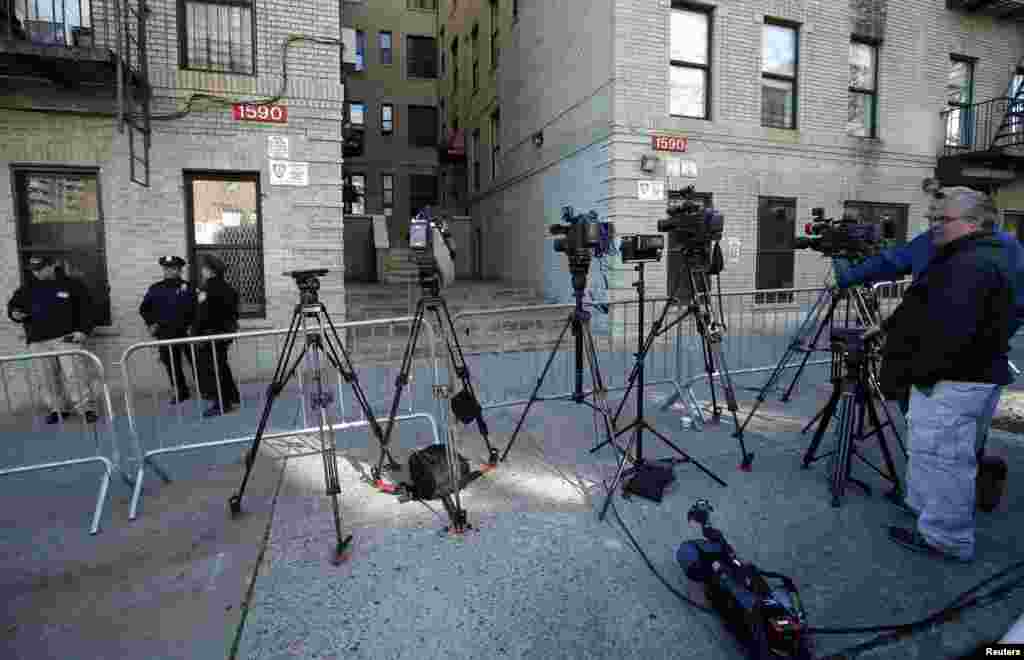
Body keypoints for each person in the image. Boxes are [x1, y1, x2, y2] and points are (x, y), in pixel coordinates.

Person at [877, 187, 1015, 562]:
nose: (934, 225)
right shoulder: (965, 254)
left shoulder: (974, 264)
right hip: (951, 378)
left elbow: (950, 332)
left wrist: (917, 371)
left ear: (973, 223)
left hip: (953, 380)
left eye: (943, 219)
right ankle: (925, 512)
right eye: (933, 218)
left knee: (946, 461)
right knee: (931, 453)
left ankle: (945, 537)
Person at [6, 256, 97, 424]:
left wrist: (83, 331)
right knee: (46, 378)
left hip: (66, 338)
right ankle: (58, 409)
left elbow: (88, 309)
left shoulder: (72, 285)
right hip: (38, 340)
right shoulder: (27, 289)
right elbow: (14, 306)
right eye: (34, 270)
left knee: (75, 375)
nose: (37, 273)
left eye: (40, 269)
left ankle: (85, 409)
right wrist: (14, 313)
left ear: (51, 266)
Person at [139, 256, 197, 404]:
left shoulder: (189, 287)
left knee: (196, 361)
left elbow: (198, 309)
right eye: (166, 268)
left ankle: (206, 389)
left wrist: (194, 326)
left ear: (179, 270)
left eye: (173, 268)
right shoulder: (155, 288)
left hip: (187, 332)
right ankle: (180, 391)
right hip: (165, 333)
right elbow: (144, 309)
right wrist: (152, 324)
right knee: (172, 364)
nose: (169, 271)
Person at [193, 254, 241, 418]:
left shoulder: (208, 289)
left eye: (204, 268)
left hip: (210, 336)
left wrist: (195, 334)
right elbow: (234, 314)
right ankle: (232, 396)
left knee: (213, 369)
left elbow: (203, 315)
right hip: (224, 335)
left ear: (211, 271)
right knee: (222, 365)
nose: (202, 271)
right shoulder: (229, 289)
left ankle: (221, 403)